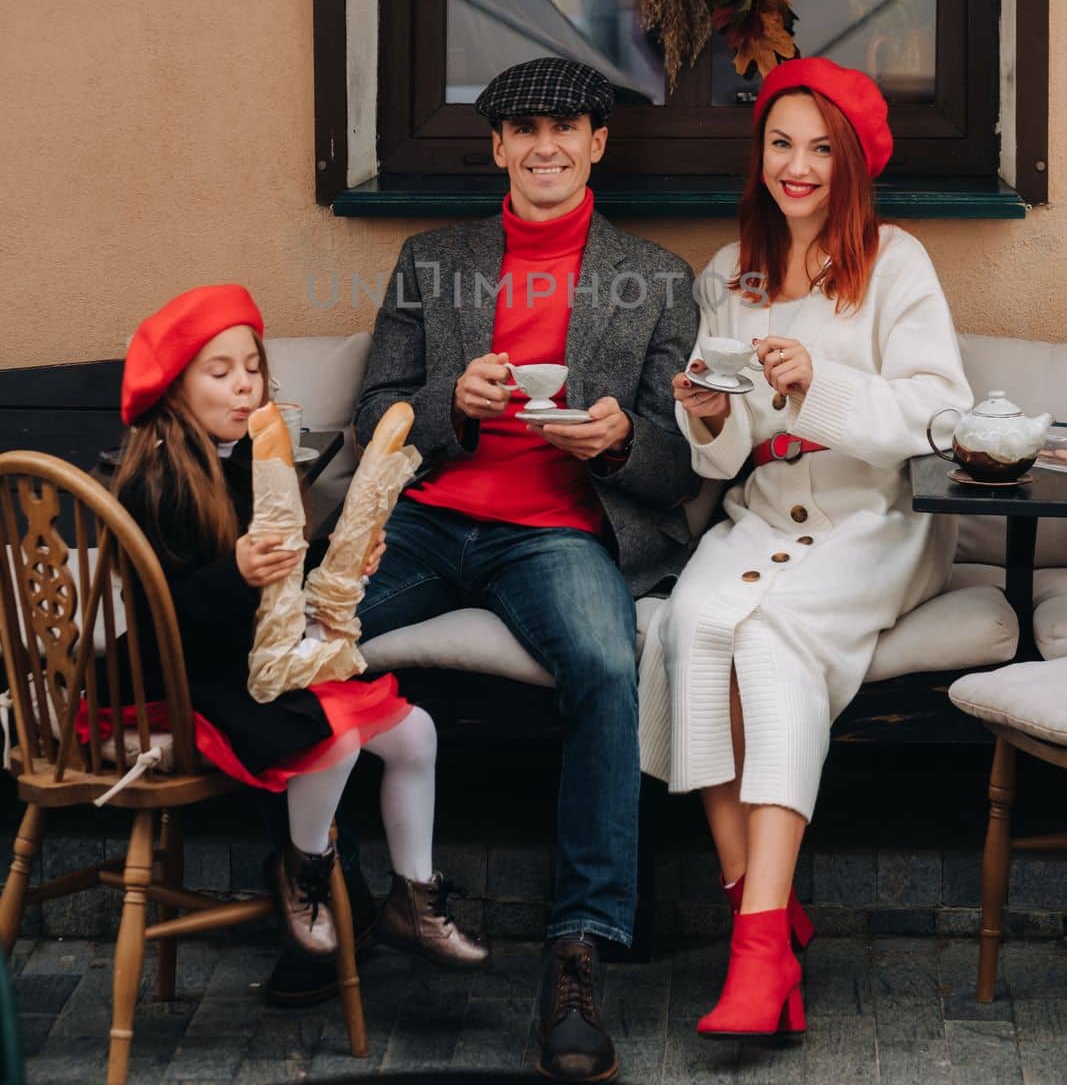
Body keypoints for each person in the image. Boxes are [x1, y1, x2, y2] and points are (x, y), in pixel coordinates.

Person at [350, 57, 699, 1083]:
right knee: (293, 635)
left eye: (567, 128)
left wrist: (618, 440)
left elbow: (681, 460)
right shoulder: (433, 259)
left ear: (598, 142)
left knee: (603, 665)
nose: (545, 145)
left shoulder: (657, 277)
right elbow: (374, 414)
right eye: (523, 129)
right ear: (498, 147)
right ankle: (322, 886)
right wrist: (448, 404)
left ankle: (577, 950)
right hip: (424, 520)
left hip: (557, 534)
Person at [639, 58, 972, 1039]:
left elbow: (932, 417)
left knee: (768, 640)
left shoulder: (895, 261)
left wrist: (812, 381)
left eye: (819, 148)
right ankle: (767, 913)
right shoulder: (727, 274)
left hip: (875, 519)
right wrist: (706, 414)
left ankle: (752, 954)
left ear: (852, 161)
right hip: (765, 509)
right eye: (780, 143)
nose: (796, 165)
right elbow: (729, 448)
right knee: (688, 628)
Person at [112, 284, 487, 978]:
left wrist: (332, 561)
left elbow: (283, 571)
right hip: (183, 673)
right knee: (332, 739)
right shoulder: (155, 479)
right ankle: (303, 871)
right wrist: (237, 572)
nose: (242, 385)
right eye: (218, 372)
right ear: (174, 387)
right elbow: (160, 605)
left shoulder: (255, 464)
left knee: (416, 734)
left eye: (251, 368)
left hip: (253, 659)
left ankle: (416, 895)